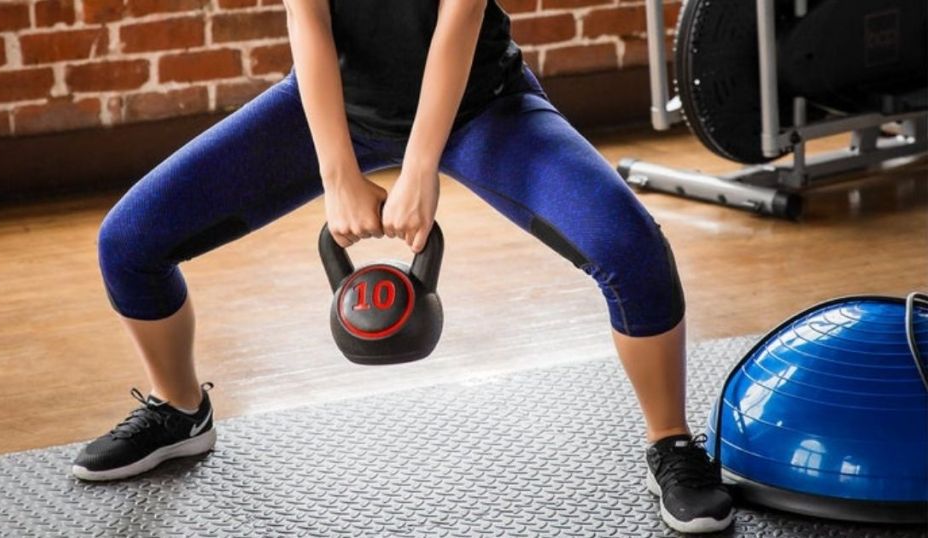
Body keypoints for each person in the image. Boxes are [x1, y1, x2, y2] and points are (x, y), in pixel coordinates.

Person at [71, 0, 734, 533]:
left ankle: (670, 442)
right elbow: (308, 21)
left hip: (481, 106)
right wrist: (337, 173)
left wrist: (420, 168)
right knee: (129, 243)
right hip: (334, 105)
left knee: (632, 251)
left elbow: (460, 19)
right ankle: (180, 411)